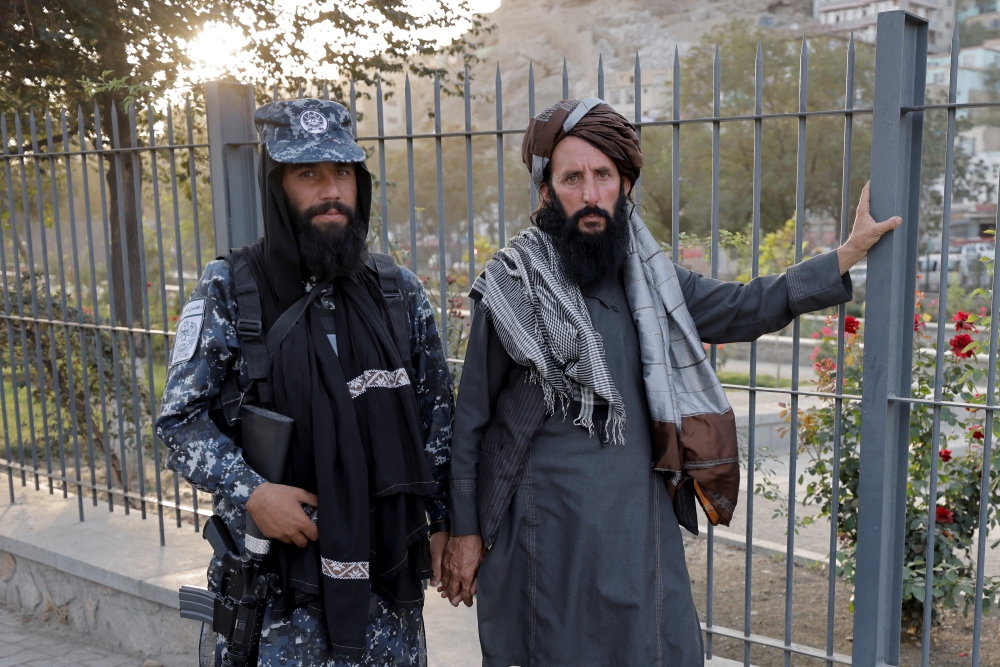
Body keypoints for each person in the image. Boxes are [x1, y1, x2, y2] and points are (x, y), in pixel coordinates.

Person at [439, 98, 900, 666]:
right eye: (572, 177)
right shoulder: (514, 284)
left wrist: (845, 256)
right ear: (546, 191)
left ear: (625, 184)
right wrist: (463, 531)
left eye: (603, 175)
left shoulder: (650, 279)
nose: (589, 193)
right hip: (544, 532)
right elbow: (473, 420)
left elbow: (742, 306)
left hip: (638, 524)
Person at [155, 98, 454, 667]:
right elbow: (179, 421)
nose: (330, 191)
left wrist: (443, 525)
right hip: (279, 602)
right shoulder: (230, 289)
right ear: (278, 186)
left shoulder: (398, 293)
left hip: (386, 596)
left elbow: (437, 424)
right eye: (308, 174)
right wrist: (254, 492)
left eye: (342, 172)